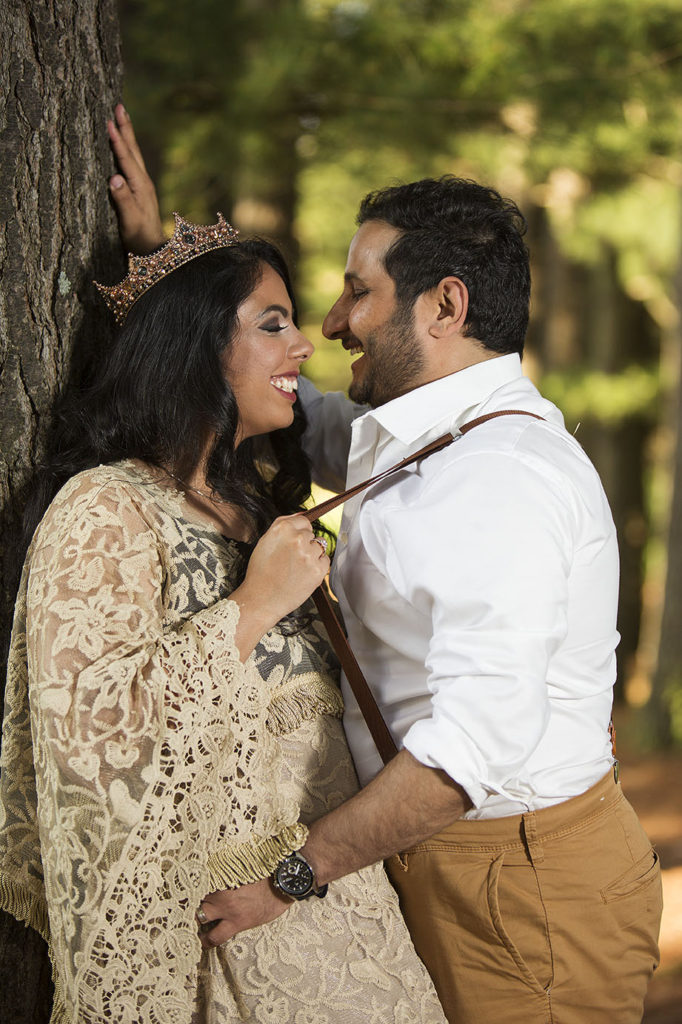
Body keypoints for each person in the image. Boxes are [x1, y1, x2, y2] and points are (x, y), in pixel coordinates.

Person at [107, 106, 663, 1024]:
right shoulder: (420, 435)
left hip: (519, 889)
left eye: (356, 292)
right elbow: (290, 406)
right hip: (453, 856)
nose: (330, 323)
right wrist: (172, 276)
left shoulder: (500, 480)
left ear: (444, 306)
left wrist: (290, 878)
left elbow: (465, 757)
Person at [0, 214, 446, 1023]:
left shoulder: (252, 508)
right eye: (273, 325)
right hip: (215, 942)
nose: (304, 347)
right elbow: (89, 737)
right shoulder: (104, 509)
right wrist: (250, 608)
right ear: (197, 345)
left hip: (344, 918)